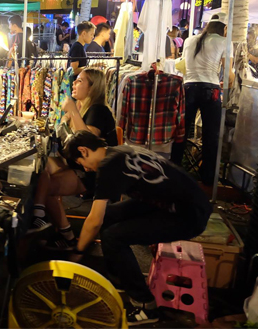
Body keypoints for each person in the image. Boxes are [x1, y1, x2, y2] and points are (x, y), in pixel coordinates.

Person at [63, 131, 212, 325]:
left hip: (188, 215)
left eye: (81, 162)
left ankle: (145, 305)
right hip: (177, 203)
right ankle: (120, 278)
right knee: (110, 216)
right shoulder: (119, 151)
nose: (86, 168)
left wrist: (78, 250)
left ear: (83, 151)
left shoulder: (109, 165)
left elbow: (94, 220)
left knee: (113, 236)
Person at [31, 68, 117, 244]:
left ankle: (65, 234)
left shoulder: (98, 110)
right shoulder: (83, 108)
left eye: (80, 81)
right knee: (40, 166)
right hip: (75, 164)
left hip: (91, 172)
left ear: (92, 87)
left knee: (43, 186)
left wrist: (72, 111)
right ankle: (41, 215)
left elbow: (88, 143)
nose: (74, 84)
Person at [179, 13, 232, 187]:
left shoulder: (189, 40)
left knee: (182, 132)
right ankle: (208, 178)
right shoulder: (225, 41)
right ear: (224, 28)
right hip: (211, 90)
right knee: (211, 135)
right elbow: (229, 75)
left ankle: (176, 171)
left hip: (189, 88)